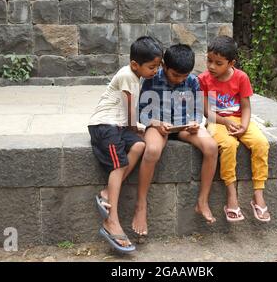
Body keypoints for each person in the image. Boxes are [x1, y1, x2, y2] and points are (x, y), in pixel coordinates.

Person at [132, 44, 219, 236]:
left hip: (183, 127)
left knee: (211, 147)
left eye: (183, 76)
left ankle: (202, 201)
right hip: (158, 126)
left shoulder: (193, 81)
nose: (180, 79)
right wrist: (156, 123)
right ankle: (141, 205)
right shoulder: (151, 79)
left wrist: (196, 123)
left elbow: (198, 111)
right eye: (175, 75)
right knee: (152, 150)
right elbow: (140, 113)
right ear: (164, 66)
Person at [88, 36, 163, 252]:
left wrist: (137, 127)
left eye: (158, 67)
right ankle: (111, 220)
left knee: (139, 146)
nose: (155, 71)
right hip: (104, 126)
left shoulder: (134, 75)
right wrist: (138, 125)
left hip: (118, 126)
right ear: (134, 64)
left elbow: (130, 118)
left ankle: (106, 193)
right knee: (118, 164)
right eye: (152, 67)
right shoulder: (128, 76)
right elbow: (130, 111)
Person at [198, 35, 271, 223]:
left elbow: (246, 107)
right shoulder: (203, 80)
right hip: (217, 121)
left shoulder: (241, 77)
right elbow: (207, 112)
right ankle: (231, 196)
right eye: (209, 60)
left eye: (218, 63)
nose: (211, 66)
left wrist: (244, 126)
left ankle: (258, 194)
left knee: (261, 143)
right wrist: (224, 122)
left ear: (231, 63)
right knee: (229, 146)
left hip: (239, 120)